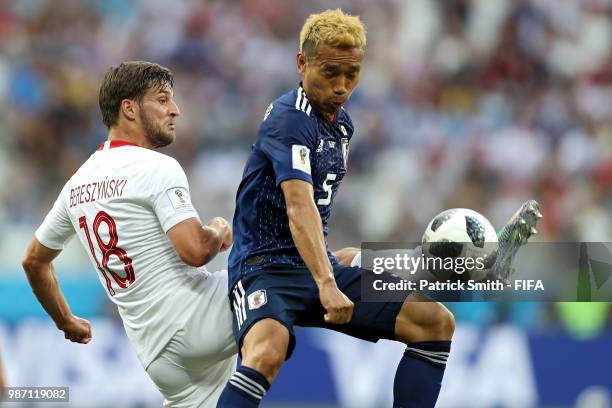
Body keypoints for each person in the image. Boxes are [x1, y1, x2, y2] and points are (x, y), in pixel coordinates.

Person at [217, 9, 540, 408]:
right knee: (267, 351)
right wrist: (327, 283)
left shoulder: (342, 126)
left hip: (312, 265)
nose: (341, 86)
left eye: (351, 74)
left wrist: (329, 272)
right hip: (262, 269)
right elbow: (299, 210)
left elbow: (316, 225)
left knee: (434, 323)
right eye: (330, 72)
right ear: (302, 63)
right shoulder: (288, 119)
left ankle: (468, 265)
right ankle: (467, 264)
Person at [22, 61, 237, 408]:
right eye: (163, 100)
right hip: (195, 317)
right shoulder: (155, 166)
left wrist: (66, 321)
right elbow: (196, 251)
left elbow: (33, 261)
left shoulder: (78, 183)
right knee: (295, 263)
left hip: (156, 355)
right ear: (129, 108)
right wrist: (219, 228)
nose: (176, 110)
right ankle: (362, 282)